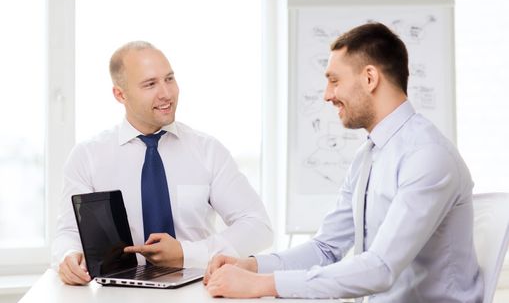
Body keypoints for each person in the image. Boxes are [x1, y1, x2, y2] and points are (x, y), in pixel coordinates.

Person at [204, 22, 483, 302]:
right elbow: (326, 249)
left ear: (370, 78)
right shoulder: (368, 156)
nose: (327, 95)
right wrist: (251, 267)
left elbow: (381, 269)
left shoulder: (427, 156)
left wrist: (261, 285)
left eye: (334, 80)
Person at [52, 41, 273, 285]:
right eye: (150, 84)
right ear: (120, 94)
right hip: (117, 295)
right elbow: (70, 233)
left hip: (198, 291)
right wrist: (68, 256)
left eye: (169, 79)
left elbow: (258, 226)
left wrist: (186, 254)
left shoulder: (208, 151)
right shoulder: (88, 156)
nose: (166, 93)